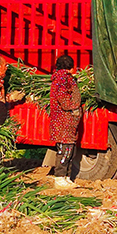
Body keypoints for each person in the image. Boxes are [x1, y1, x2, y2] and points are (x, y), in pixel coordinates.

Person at [49, 55, 82, 189]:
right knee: (65, 149)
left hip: (67, 121)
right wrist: (74, 106)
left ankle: (67, 177)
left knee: (69, 149)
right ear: (71, 67)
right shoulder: (62, 79)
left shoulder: (64, 79)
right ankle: (59, 177)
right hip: (64, 120)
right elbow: (63, 99)